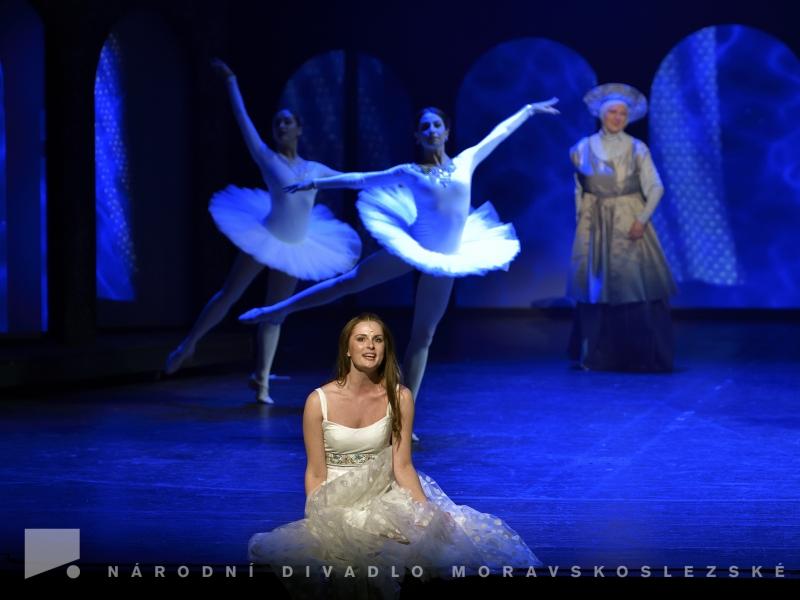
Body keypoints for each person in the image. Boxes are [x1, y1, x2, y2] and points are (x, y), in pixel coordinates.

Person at [240, 100, 559, 423]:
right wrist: (315, 182)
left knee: (424, 336)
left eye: (436, 125)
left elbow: (499, 133)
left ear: (447, 132)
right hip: (413, 246)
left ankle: (401, 418)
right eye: (425, 127)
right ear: (417, 137)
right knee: (349, 282)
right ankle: (275, 311)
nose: (431, 130)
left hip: (447, 257)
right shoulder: (410, 172)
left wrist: (529, 110)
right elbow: (361, 179)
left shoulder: (466, 161)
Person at [248, 313, 541, 598]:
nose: (370, 346)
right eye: (361, 339)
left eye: (377, 340)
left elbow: (402, 465)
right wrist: (317, 518)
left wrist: (427, 512)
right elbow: (315, 471)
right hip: (336, 498)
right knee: (343, 556)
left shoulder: (399, 397)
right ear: (347, 349)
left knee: (430, 541)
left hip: (382, 493)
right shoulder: (318, 401)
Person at [164, 59, 361, 403]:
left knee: (276, 311)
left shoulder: (314, 169)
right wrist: (231, 80)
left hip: (297, 244)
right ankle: (189, 344)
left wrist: (397, 179)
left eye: (288, 122)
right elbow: (243, 122)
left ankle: (262, 380)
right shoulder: (267, 158)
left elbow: (352, 179)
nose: (281, 126)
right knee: (230, 293)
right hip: (266, 237)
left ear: (299, 129)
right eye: (277, 123)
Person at [567, 83, 676, 372]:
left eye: (622, 113)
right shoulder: (581, 148)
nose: (617, 117)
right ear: (602, 114)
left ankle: (640, 356)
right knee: (596, 288)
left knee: (633, 285)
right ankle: (597, 355)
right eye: (612, 112)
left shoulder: (637, 148)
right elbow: (578, 188)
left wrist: (642, 219)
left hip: (628, 218)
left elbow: (656, 187)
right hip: (595, 223)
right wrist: (581, 220)